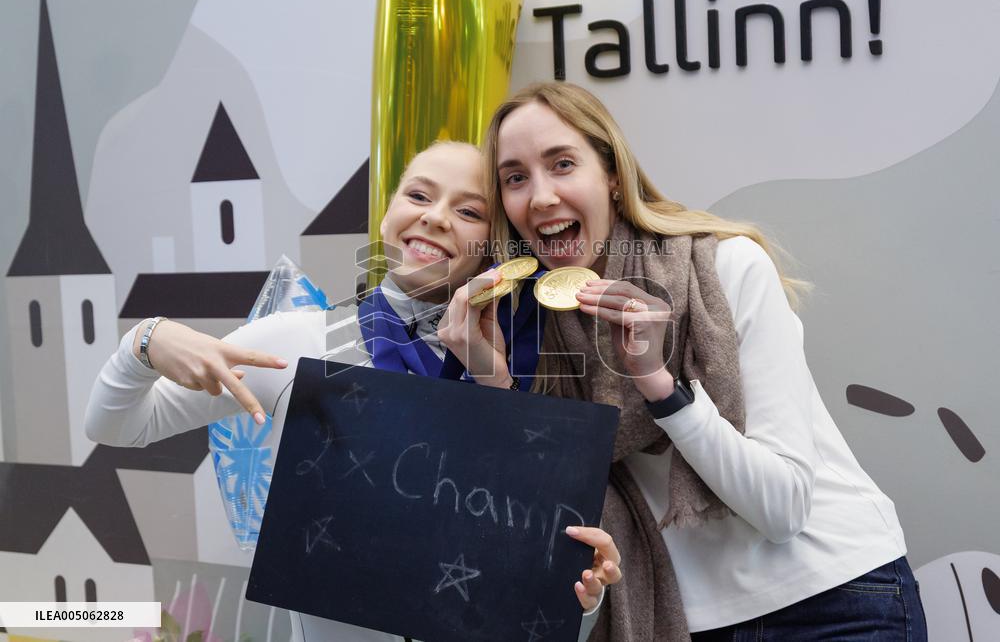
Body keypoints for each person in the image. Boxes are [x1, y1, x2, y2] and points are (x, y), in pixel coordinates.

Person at [438, 83, 927, 641]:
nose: (542, 196)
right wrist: (495, 387)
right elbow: (545, 527)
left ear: (613, 176)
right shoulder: (521, 326)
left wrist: (660, 386)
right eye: (515, 178)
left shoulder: (723, 267)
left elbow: (783, 510)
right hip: (684, 620)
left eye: (563, 164)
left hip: (835, 599)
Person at [85, 141, 621, 642]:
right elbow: (116, 426)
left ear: (496, 248)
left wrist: (582, 598)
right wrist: (146, 341)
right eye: (419, 195)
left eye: (468, 211)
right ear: (387, 214)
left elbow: (542, 618)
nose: (435, 216)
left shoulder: (521, 377)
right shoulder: (298, 340)